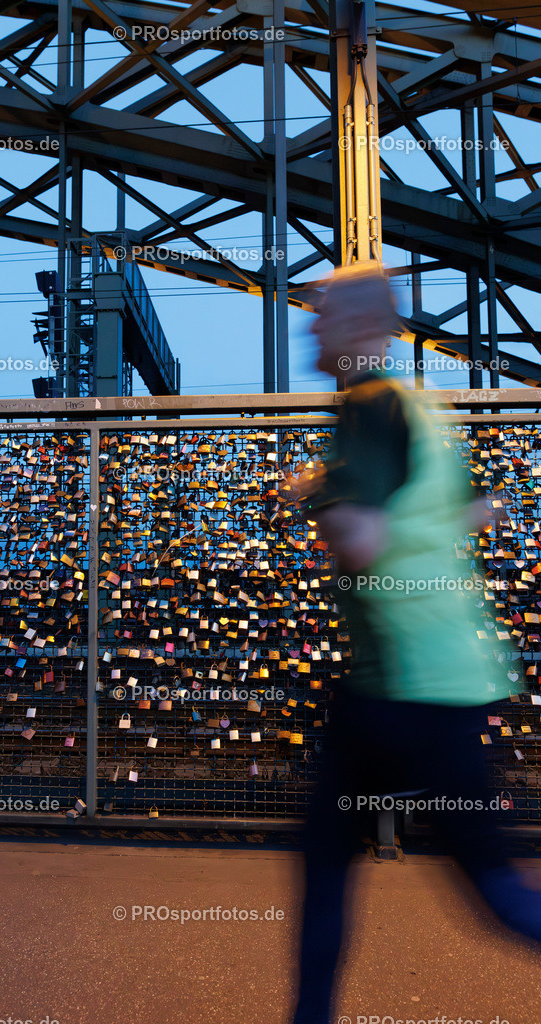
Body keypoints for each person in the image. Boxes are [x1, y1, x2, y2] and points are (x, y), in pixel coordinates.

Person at [279, 264, 541, 1024]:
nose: (309, 326)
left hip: (404, 684)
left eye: (321, 312)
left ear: (362, 326)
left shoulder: (364, 403)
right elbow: (478, 513)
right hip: (433, 679)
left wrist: (313, 492)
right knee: (340, 863)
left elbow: (357, 539)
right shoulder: (423, 410)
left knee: (485, 889)